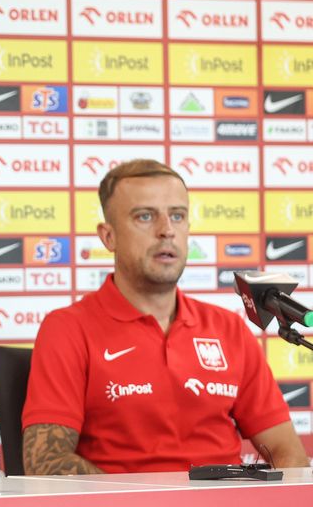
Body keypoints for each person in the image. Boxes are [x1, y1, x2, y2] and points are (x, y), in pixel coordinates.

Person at [22, 159, 308, 475]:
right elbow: (46, 462)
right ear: (108, 236)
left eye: (177, 216)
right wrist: (144, 498)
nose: (166, 230)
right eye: (145, 216)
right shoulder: (67, 328)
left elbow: (287, 452)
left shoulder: (228, 328)